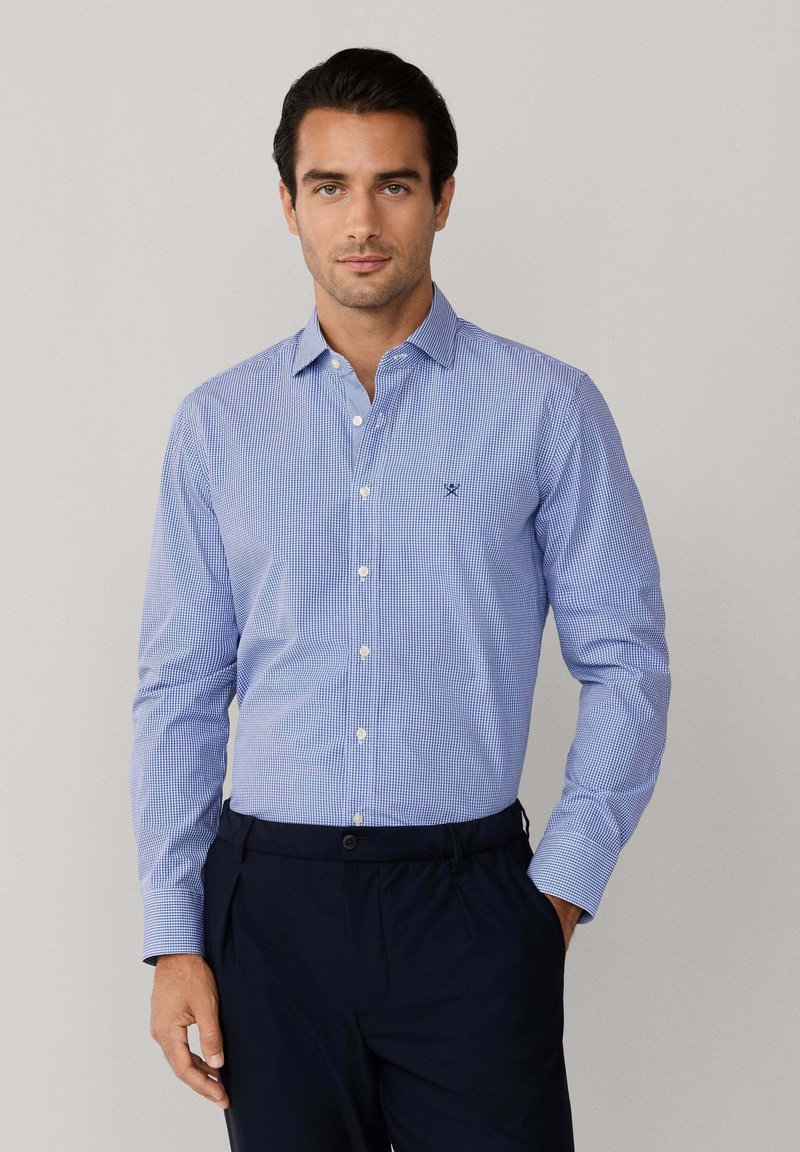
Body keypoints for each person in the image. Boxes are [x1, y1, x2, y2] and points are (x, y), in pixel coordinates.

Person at [130, 46, 671, 1152]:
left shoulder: (546, 408)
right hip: (267, 910)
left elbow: (626, 661)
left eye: (395, 184)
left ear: (442, 199)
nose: (362, 220)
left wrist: (556, 899)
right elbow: (179, 688)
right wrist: (173, 937)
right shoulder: (219, 424)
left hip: (469, 904)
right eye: (329, 186)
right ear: (289, 205)